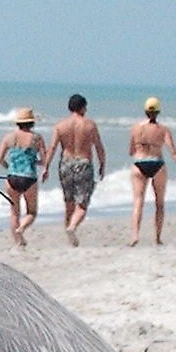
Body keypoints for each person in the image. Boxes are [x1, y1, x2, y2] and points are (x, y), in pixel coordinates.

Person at [44, 93, 106, 246]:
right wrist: (102, 164)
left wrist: (46, 167)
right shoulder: (90, 125)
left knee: (69, 203)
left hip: (65, 163)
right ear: (83, 107)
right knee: (82, 204)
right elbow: (98, 147)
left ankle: (70, 239)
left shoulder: (60, 125)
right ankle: (72, 227)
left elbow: (52, 148)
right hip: (83, 163)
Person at [127, 97, 176, 245]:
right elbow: (173, 151)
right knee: (159, 203)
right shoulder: (163, 130)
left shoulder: (136, 128)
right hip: (157, 164)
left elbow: (131, 151)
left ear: (145, 111)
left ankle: (135, 235)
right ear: (158, 111)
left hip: (139, 163)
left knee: (138, 202)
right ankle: (157, 238)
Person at [0, 107, 47, 247]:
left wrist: (9, 167)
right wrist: (35, 162)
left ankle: (18, 241)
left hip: (12, 178)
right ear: (31, 123)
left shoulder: (9, 137)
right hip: (29, 178)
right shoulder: (37, 138)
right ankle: (21, 229)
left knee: (14, 212)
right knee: (31, 212)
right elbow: (44, 160)